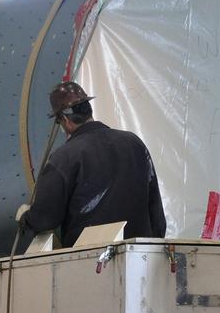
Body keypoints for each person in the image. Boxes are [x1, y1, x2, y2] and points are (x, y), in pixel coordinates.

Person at [18, 80, 166, 247]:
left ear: (64, 119)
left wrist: (27, 218)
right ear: (89, 109)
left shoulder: (63, 158)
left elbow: (46, 218)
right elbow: (155, 210)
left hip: (90, 257)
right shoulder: (134, 143)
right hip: (141, 253)